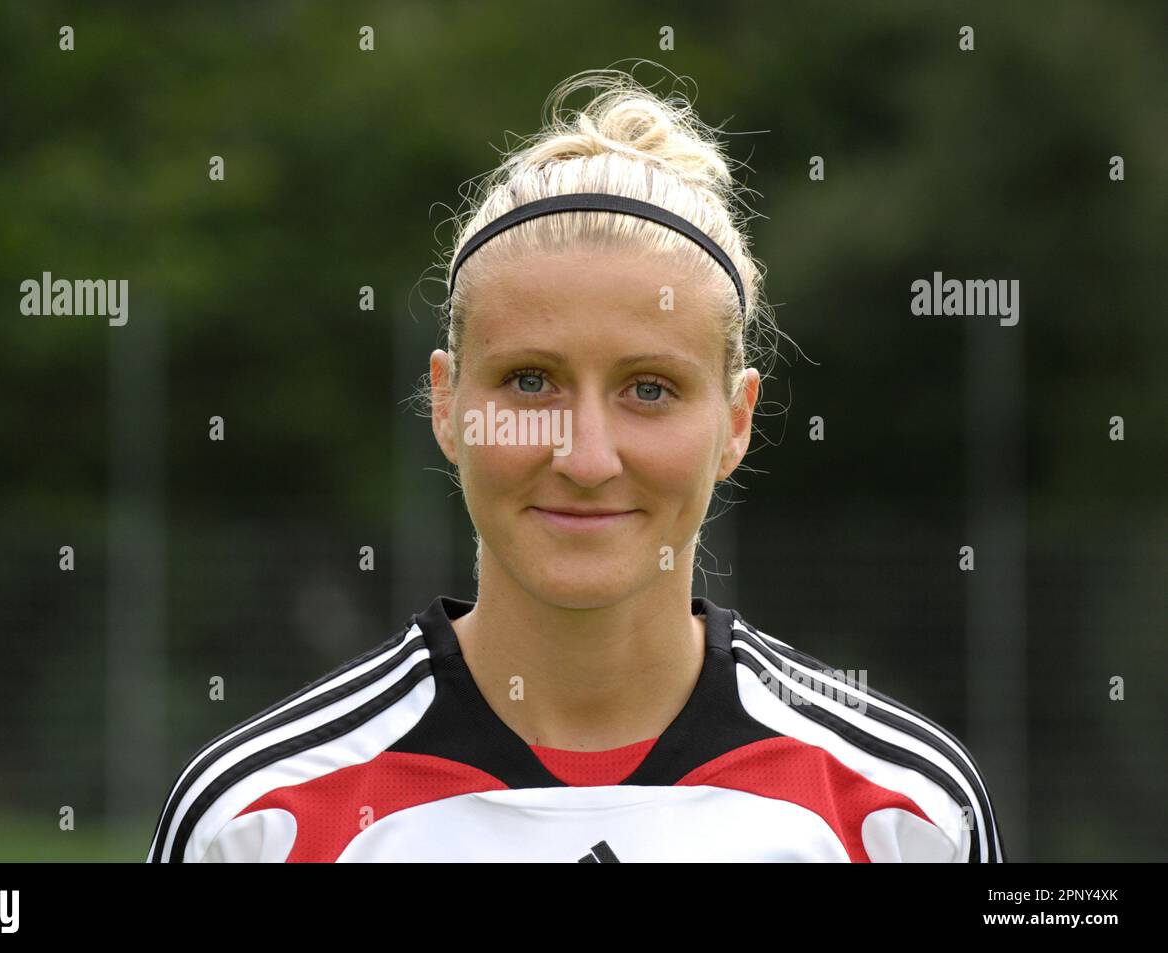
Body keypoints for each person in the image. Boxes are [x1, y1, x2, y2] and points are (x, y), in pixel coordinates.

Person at [147, 66, 1005, 863]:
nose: (587, 458)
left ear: (736, 420)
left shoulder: (903, 816)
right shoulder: (260, 821)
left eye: (651, 389)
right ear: (448, 404)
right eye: (530, 381)